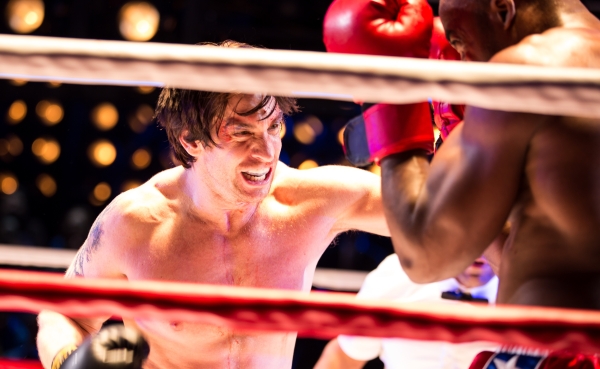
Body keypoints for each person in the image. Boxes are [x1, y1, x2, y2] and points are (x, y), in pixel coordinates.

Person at [36, 40, 390, 369]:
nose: (267, 152)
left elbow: (429, 222)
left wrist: (426, 117)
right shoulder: (136, 221)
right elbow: (63, 315)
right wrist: (71, 361)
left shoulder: (312, 202)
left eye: (274, 127)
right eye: (242, 133)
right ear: (191, 140)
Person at [332, 0, 600, 367]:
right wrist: (461, 135)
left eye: (459, 42)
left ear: (503, 11)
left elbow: (426, 255)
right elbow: (544, 255)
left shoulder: (526, 68)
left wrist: (390, 94)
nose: (463, 63)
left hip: (556, 345)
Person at [314, 254, 499, 369]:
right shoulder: (398, 274)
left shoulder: (526, 293)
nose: (481, 250)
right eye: (476, 233)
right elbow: (345, 357)